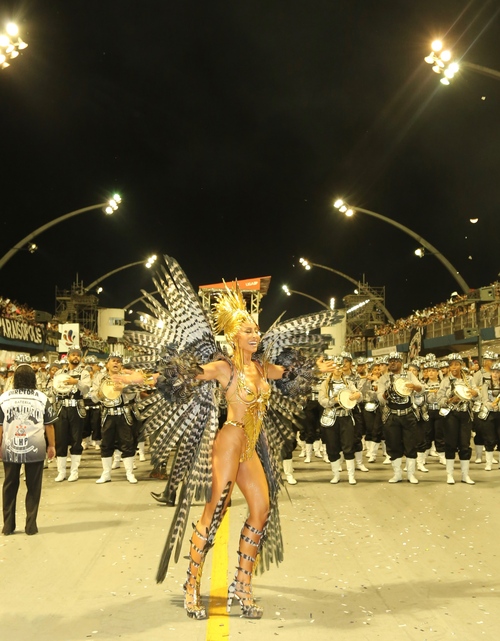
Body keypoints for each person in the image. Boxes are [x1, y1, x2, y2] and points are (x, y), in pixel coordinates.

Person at [113, 255, 336, 621]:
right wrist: (139, 379)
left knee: (261, 510)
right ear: (234, 334)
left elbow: (295, 372)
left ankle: (241, 585)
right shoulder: (224, 368)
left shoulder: (264, 367)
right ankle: (191, 586)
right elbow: (182, 376)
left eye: (257, 331)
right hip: (230, 441)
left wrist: (319, 367)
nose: (255, 335)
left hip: (253, 445)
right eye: (248, 331)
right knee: (214, 512)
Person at [0, 363, 56, 535]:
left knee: (9, 485)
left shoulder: (4, 398)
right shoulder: (42, 398)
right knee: (33, 486)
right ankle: (31, 526)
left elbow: (0, 426)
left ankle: (8, 526)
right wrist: (52, 445)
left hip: (10, 447)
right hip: (35, 447)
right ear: (33, 378)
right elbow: (49, 425)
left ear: (15, 378)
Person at [91, 353, 140, 484]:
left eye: (118, 361)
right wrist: (101, 393)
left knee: (127, 442)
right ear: (107, 364)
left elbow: (133, 395)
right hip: (107, 414)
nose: (116, 363)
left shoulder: (126, 378)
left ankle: (129, 472)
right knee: (106, 444)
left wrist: (124, 389)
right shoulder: (100, 377)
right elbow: (93, 396)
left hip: (123, 413)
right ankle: (106, 473)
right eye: (113, 361)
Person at [377, 352, 423, 484]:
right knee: (393, 444)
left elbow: (422, 388)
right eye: (390, 361)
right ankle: (397, 473)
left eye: (395, 360)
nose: (392, 363)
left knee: (411, 444)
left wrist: (414, 386)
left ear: (401, 363)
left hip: (408, 414)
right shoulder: (383, 378)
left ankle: (411, 474)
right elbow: (380, 398)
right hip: (391, 414)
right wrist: (387, 393)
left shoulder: (409, 375)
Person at [437, 353, 480, 485]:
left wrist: (475, 393)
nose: (454, 367)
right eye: (451, 365)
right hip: (451, 415)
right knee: (450, 444)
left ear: (461, 365)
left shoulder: (469, 379)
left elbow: (477, 396)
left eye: (456, 364)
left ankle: (465, 475)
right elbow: (439, 400)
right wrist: (450, 400)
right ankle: (450, 475)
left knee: (465, 445)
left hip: (465, 415)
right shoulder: (445, 381)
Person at [318, 356, 362, 484]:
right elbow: (321, 400)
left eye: (340, 366)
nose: (338, 369)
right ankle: (336, 474)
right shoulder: (325, 384)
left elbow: (359, 395)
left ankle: (351, 475)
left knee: (348, 446)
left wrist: (357, 395)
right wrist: (333, 400)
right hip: (331, 418)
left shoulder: (348, 383)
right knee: (332, 446)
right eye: (335, 366)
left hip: (346, 417)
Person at [52, 346, 91, 482]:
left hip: (76, 408)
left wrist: (76, 382)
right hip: (62, 408)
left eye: (78, 355)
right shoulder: (59, 373)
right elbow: (54, 389)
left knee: (76, 440)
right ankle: (61, 471)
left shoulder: (84, 373)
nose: (76, 357)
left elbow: (86, 388)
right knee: (61, 440)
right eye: (73, 355)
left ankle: (74, 471)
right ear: (67, 357)